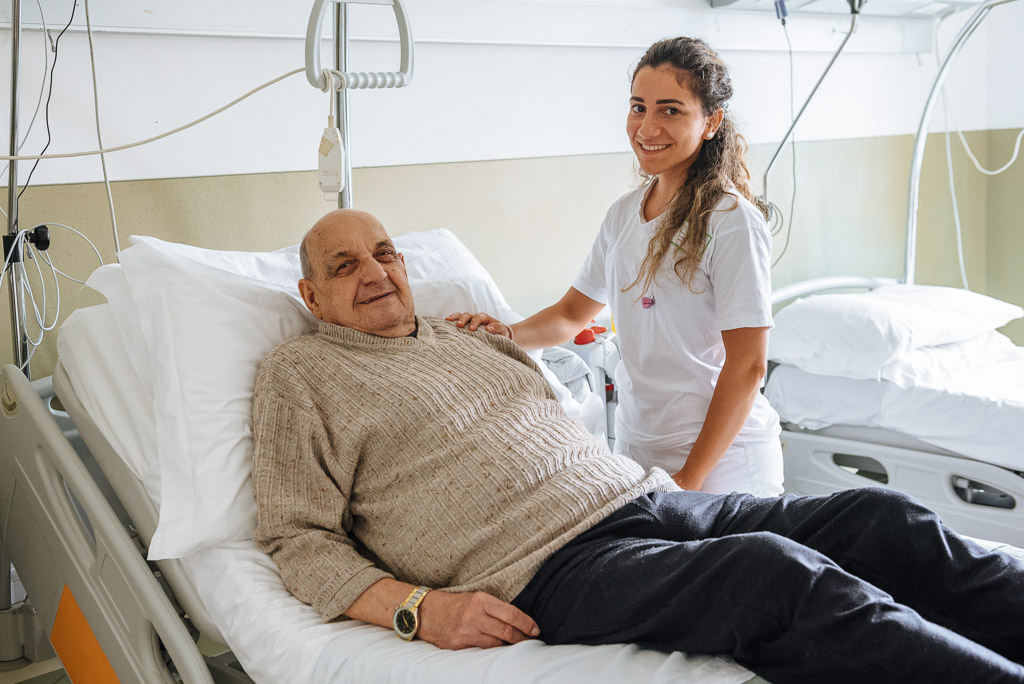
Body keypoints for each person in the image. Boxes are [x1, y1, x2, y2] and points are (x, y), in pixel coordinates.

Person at [251, 208, 1024, 684]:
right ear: (310, 296)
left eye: (385, 252)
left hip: (642, 498)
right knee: (774, 577)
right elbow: (296, 539)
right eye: (345, 265)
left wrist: (500, 338)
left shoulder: (466, 336)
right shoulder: (303, 373)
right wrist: (418, 611)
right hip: (547, 566)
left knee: (880, 518)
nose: (376, 272)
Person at [449, 37, 783, 497]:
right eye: (638, 107)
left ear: (711, 122)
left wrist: (689, 478)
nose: (647, 127)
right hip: (638, 448)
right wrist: (506, 334)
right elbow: (571, 315)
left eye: (670, 110)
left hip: (723, 461)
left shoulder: (730, 222)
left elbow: (748, 366)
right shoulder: (623, 216)